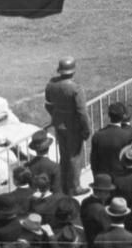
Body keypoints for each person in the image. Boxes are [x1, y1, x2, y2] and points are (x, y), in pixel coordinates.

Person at [43, 56, 90, 196]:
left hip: (59, 124)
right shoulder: (76, 89)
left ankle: (63, 184)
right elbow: (82, 112)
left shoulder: (51, 84)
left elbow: (48, 104)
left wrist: (56, 116)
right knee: (75, 156)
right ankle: (75, 187)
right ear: (73, 71)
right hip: (73, 127)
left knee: (64, 156)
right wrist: (86, 129)